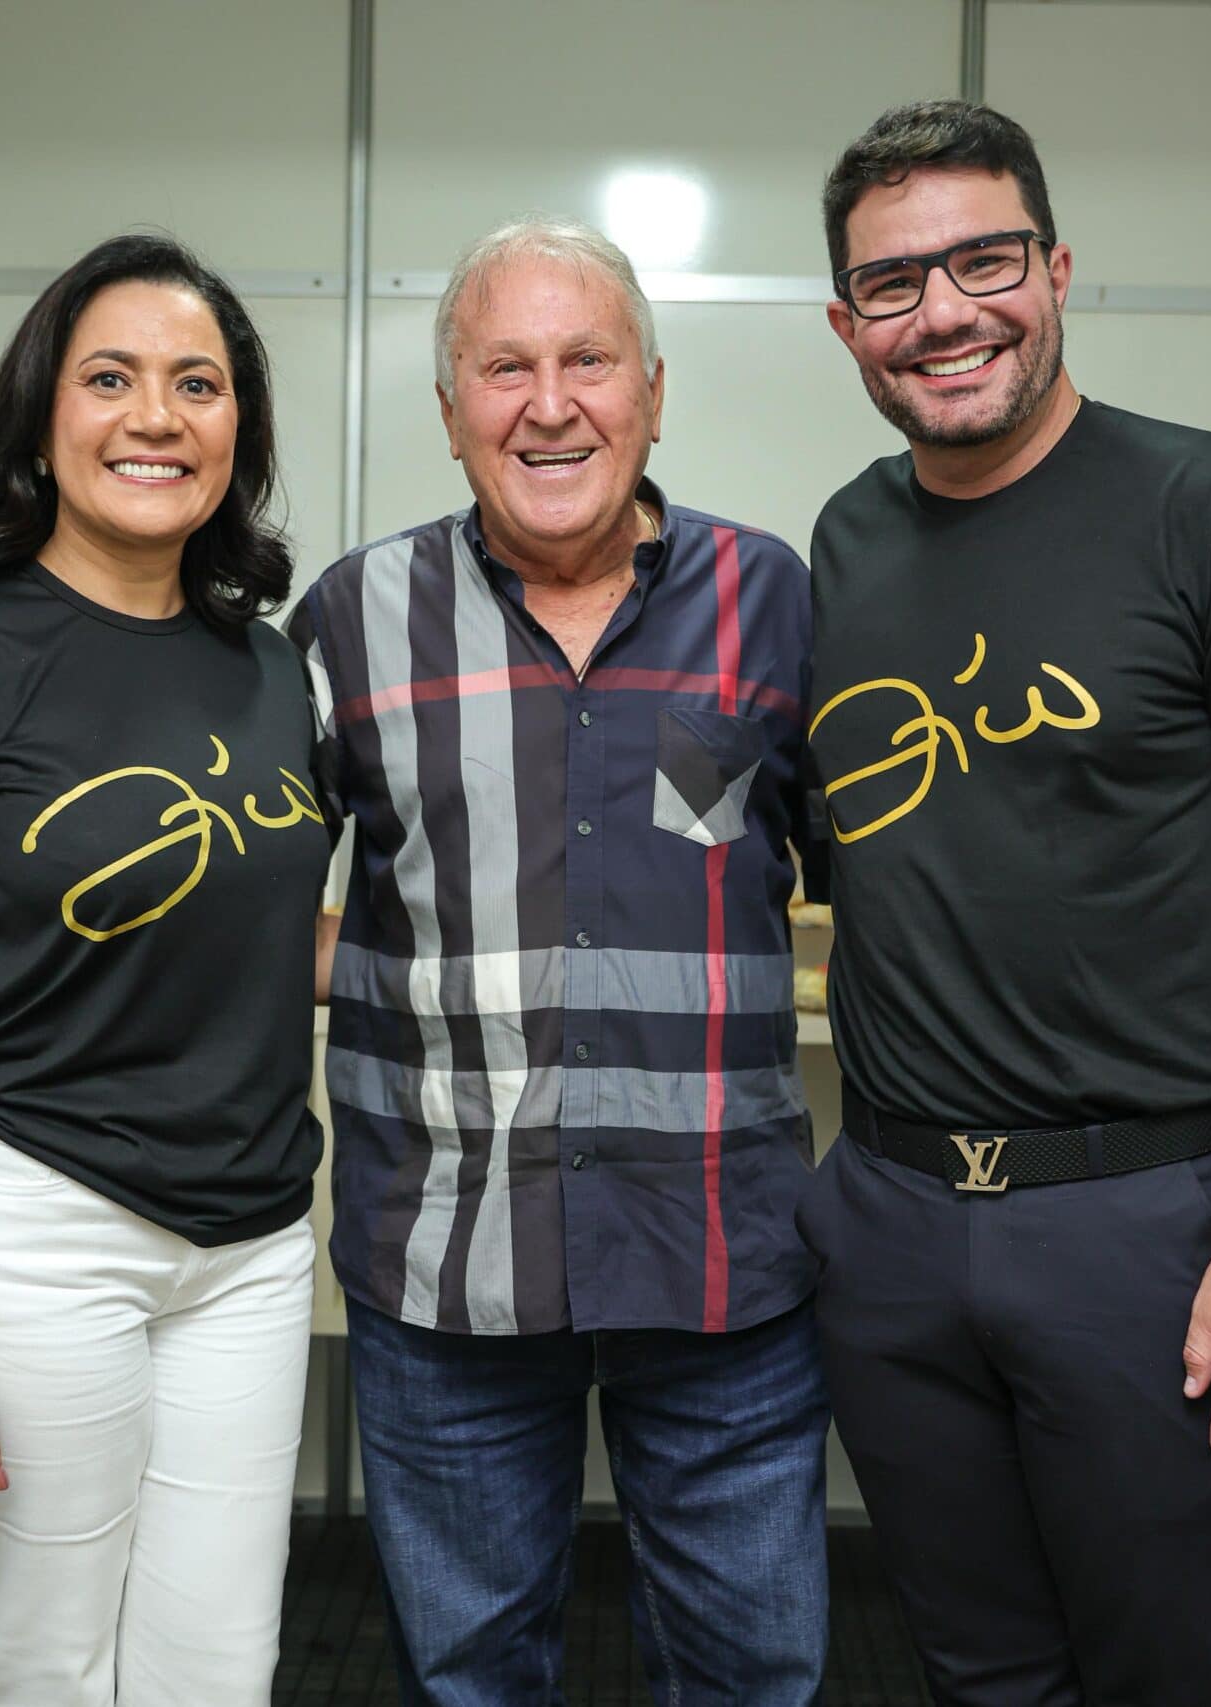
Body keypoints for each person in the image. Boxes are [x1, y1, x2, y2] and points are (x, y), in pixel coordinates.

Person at [800, 101, 1211, 1704]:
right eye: (893, 283)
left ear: (1057, 271)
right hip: (895, 1220)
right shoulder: (847, 542)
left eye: (984, 262)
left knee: (1169, 1674)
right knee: (975, 1670)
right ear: (848, 326)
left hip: (1142, 1226)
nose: (944, 312)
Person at [285, 218, 827, 1704]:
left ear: (652, 391)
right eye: (503, 367)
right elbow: (252, 903)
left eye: (587, 360)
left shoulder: (773, 600)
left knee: (751, 1675)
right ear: (449, 408)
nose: (548, 405)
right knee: (470, 1678)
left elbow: (869, 874)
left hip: (721, 1265)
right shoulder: (351, 621)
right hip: (445, 1261)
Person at [0, 233, 330, 1706]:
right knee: (41, 1669)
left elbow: (261, 932)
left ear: (239, 432)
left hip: (250, 1245)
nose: (157, 417)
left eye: (198, 385)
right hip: (30, 1230)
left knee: (217, 1673)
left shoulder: (270, 670)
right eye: (111, 379)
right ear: (41, 417)